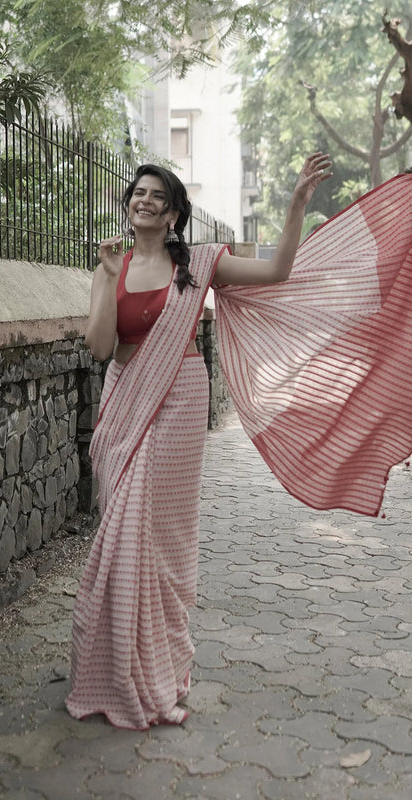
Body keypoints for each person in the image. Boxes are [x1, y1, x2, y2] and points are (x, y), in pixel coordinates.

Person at [65, 153, 332, 730]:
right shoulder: (113, 264)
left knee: (156, 535)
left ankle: (156, 668)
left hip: (181, 399)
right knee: (121, 526)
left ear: (175, 212)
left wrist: (295, 206)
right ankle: (114, 669)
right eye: (138, 192)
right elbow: (99, 348)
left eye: (158, 196)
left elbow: (279, 271)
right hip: (127, 395)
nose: (144, 200)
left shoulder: (203, 264)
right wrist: (109, 277)